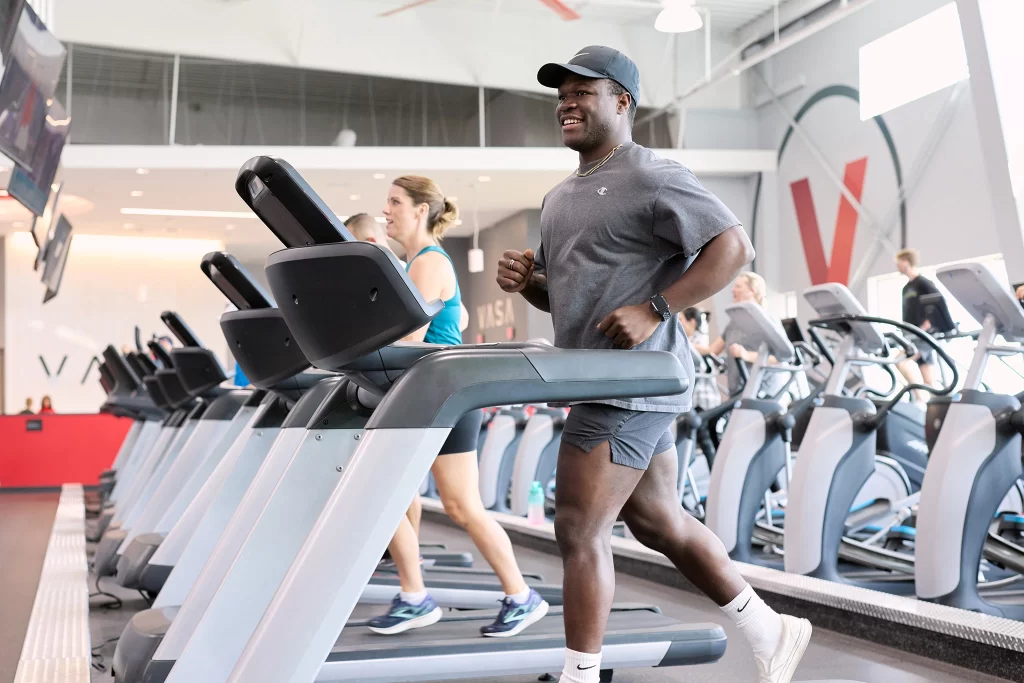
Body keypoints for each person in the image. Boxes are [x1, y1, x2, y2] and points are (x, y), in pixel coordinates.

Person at [497, 46, 810, 683]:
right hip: (599, 378)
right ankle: (770, 629)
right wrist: (528, 281)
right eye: (563, 93)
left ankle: (581, 675)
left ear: (623, 102)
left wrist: (657, 305)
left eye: (584, 91)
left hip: (633, 383)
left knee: (579, 529)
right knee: (657, 521)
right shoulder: (561, 198)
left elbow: (735, 246)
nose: (568, 102)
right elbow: (568, 299)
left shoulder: (650, 174)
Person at [366, 175, 548, 637]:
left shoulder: (427, 262)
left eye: (394, 202)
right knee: (391, 499)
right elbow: (458, 319)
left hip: (443, 396)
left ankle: (519, 596)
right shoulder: (418, 266)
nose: (386, 210)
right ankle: (414, 594)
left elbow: (407, 339)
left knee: (459, 507)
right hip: (428, 395)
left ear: (421, 210)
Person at [696, 272, 783, 398]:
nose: (732, 290)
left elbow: (779, 358)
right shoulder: (734, 322)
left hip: (761, 391)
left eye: (738, 286)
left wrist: (746, 355)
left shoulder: (767, 319)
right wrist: (686, 346)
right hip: (738, 390)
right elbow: (712, 350)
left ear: (752, 291)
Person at [895, 249, 950, 403]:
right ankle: (933, 405)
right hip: (910, 334)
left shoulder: (923, 283)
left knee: (900, 361)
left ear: (906, 261)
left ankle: (919, 400)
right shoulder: (906, 288)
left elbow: (938, 301)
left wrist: (929, 321)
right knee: (929, 379)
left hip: (922, 336)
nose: (897, 266)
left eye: (898, 263)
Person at [680, 308, 722, 412]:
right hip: (697, 400)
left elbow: (708, 350)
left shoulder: (697, 342)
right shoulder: (692, 341)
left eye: (681, 320)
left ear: (692, 322)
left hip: (704, 400)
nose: (678, 324)